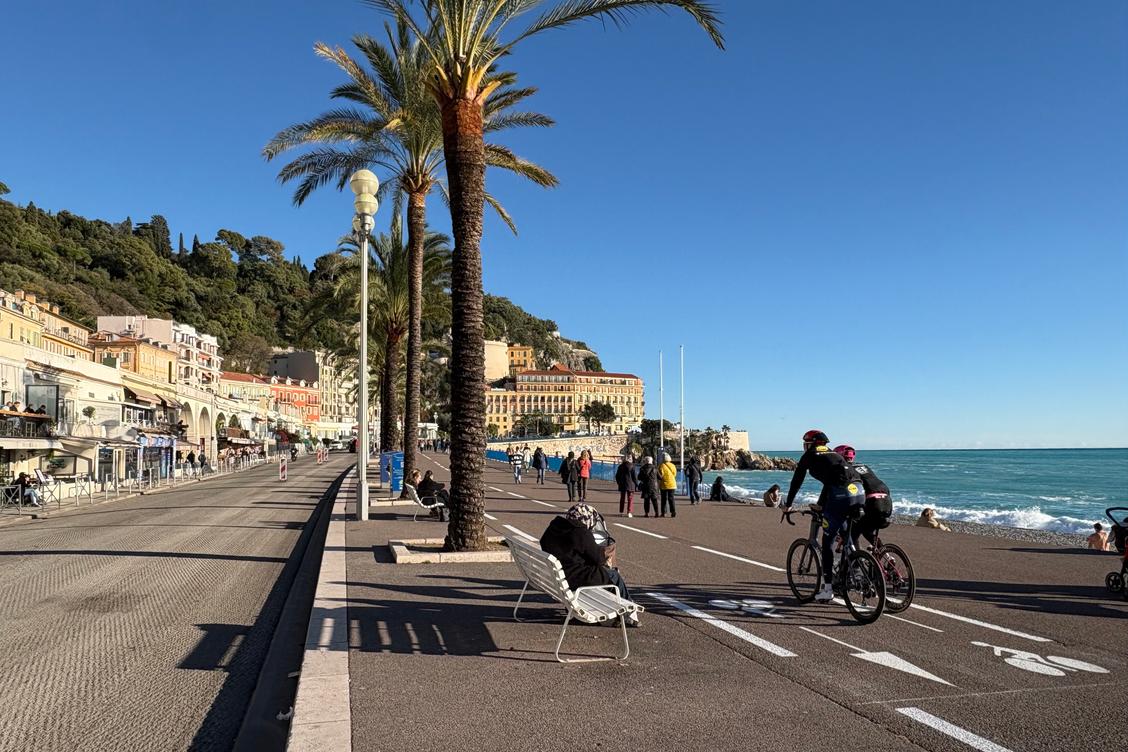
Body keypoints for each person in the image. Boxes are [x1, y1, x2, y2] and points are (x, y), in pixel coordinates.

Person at [782, 430, 864, 603]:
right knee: (845, 535)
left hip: (840, 494)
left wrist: (788, 504)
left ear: (811, 444)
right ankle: (860, 572)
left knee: (827, 542)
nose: (804, 446)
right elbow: (831, 483)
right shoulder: (834, 454)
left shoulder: (810, 455)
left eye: (805, 443)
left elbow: (797, 480)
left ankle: (827, 589)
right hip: (858, 491)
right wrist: (821, 504)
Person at [539, 503, 639, 626]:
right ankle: (629, 612)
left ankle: (608, 610)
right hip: (577, 578)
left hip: (560, 578)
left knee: (604, 572)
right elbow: (598, 559)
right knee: (613, 575)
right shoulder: (580, 532)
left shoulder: (554, 529)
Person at [834, 445, 894, 548]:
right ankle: (886, 556)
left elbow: (845, 492)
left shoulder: (845, 469)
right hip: (886, 500)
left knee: (852, 533)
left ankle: (856, 560)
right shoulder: (863, 466)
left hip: (872, 502)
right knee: (867, 530)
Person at [658, 452, 678, 518]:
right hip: (672, 484)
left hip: (664, 484)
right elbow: (675, 474)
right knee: (671, 499)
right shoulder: (673, 465)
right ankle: (673, 512)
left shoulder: (661, 466)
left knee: (664, 499)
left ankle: (663, 513)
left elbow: (660, 476)